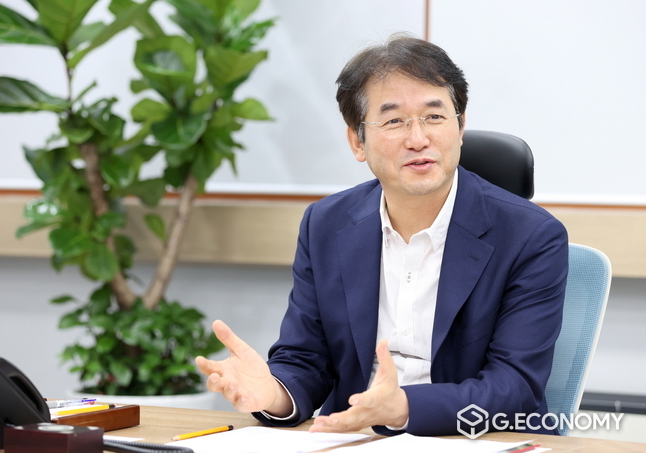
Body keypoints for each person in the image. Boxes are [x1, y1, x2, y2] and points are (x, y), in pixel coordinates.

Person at [195, 33, 568, 437]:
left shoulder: (531, 236)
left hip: (475, 441)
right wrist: (273, 393)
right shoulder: (325, 224)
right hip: (353, 439)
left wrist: (403, 408)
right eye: (394, 121)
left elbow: (514, 386)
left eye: (434, 116)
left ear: (460, 127)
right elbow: (305, 359)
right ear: (358, 141)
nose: (418, 139)